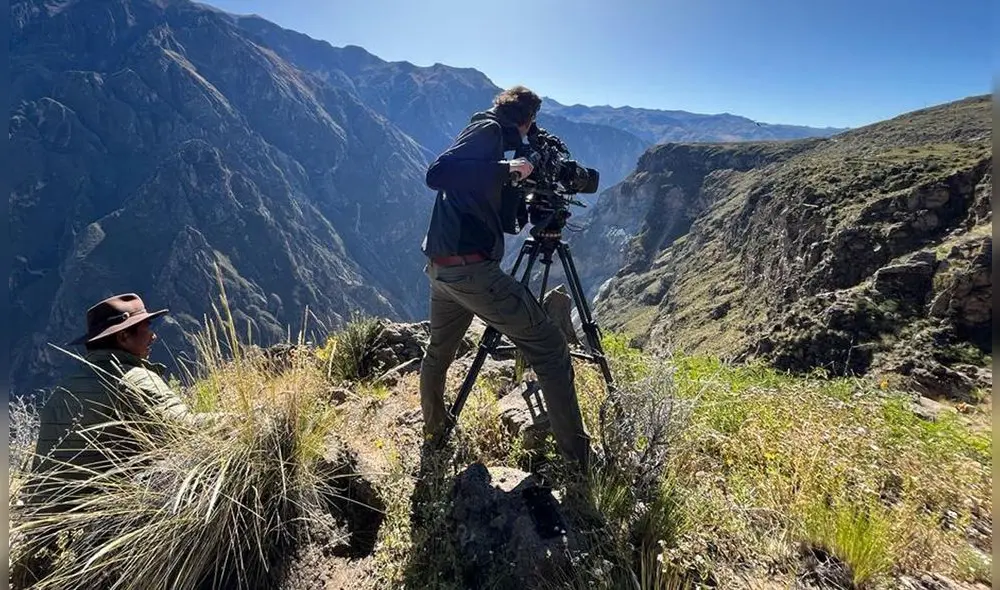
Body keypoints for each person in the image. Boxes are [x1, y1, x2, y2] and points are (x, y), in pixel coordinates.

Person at [418, 86, 592, 470]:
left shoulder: (492, 140)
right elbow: (438, 173)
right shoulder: (488, 130)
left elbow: (503, 217)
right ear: (526, 119)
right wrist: (507, 168)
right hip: (471, 272)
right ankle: (580, 464)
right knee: (549, 346)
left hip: (443, 269)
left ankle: (435, 433)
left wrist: (519, 188)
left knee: (439, 352)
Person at [28, 293, 199, 502]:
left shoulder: (64, 388)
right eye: (146, 327)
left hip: (44, 518)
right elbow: (186, 430)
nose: (153, 336)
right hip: (97, 516)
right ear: (123, 336)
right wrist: (243, 419)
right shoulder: (133, 379)